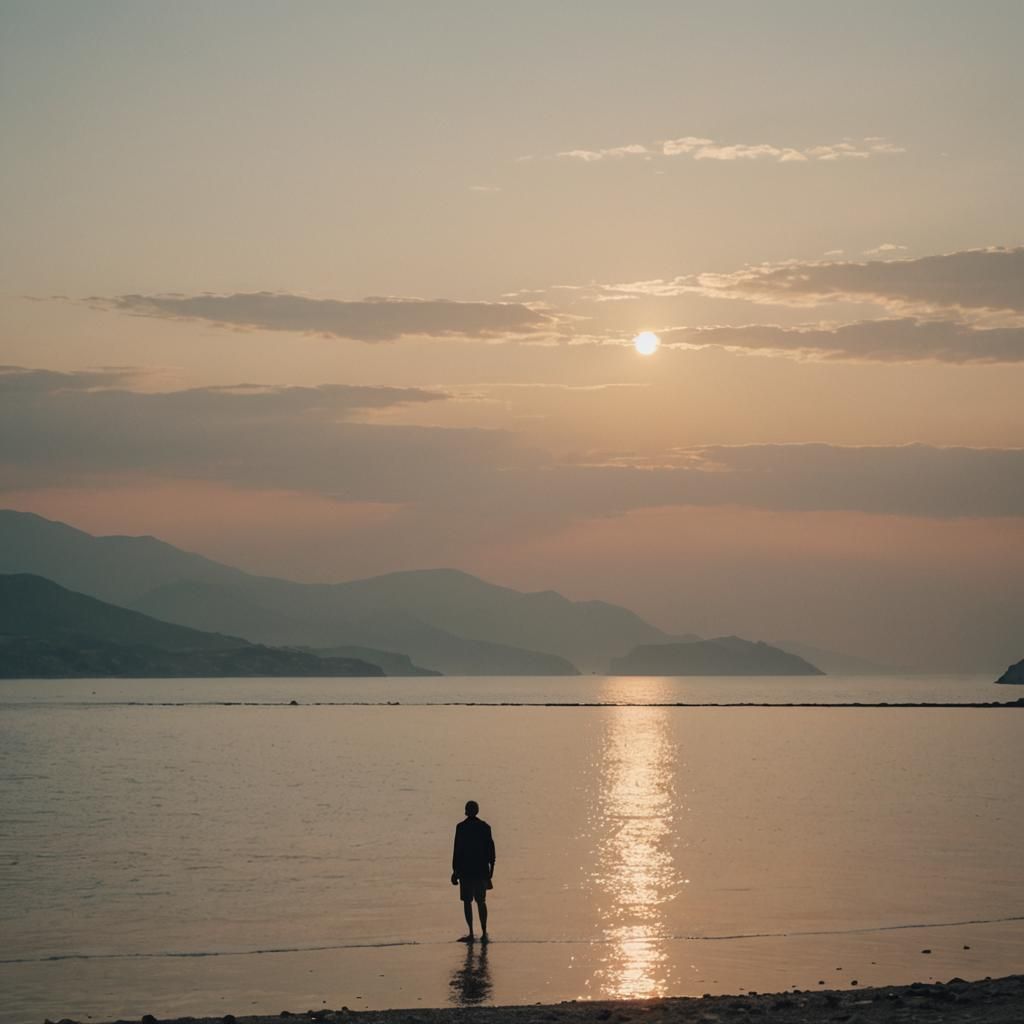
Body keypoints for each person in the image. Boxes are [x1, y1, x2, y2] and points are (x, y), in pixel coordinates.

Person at [451, 799, 495, 943]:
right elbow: (491, 851)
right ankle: (483, 932)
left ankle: (471, 933)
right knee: (481, 901)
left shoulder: (461, 827)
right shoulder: (484, 827)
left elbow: (457, 851)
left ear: (466, 811)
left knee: (468, 902)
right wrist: (491, 870)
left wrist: (455, 871)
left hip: (466, 871)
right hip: (481, 870)